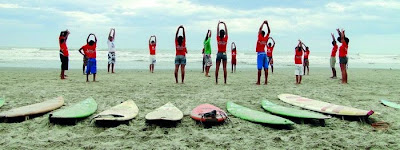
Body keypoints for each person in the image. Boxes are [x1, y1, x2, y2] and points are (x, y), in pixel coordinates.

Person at [255, 20, 270, 85]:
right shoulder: (265, 38)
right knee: (266, 68)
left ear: (261, 34)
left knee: (259, 68)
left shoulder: (260, 37)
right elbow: (269, 31)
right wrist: (267, 25)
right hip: (264, 54)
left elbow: (259, 29)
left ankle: (258, 81)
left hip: (260, 54)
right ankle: (266, 81)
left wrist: (263, 23)